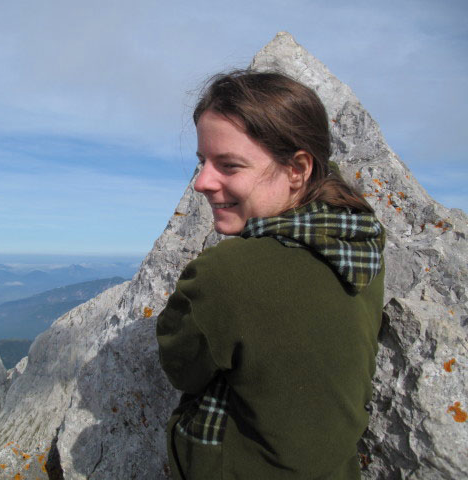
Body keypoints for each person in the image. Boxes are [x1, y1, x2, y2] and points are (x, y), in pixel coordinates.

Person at [156, 70, 385, 480]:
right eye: (202, 162)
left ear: (297, 169)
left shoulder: (225, 273)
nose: (202, 183)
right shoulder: (359, 247)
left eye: (229, 165)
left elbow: (182, 366)